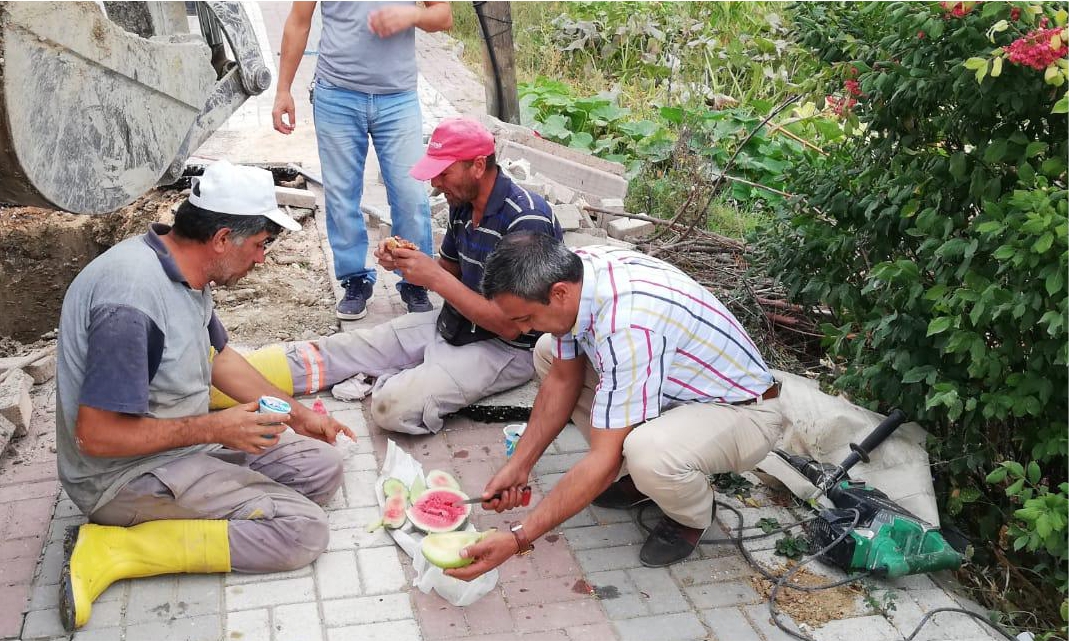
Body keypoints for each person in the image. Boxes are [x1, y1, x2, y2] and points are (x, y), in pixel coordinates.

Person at [54, 161, 355, 631]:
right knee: (303, 531)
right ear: (221, 239)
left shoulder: (181, 268)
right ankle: (118, 548)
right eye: (260, 246)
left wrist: (298, 415)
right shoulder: (130, 304)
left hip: (180, 442)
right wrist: (217, 427)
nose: (262, 260)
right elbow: (96, 437)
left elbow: (220, 358)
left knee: (323, 469)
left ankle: (202, 494)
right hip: (122, 475)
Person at [445, 233, 783, 581]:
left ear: (559, 292)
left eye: (526, 318)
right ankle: (642, 479)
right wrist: (519, 465)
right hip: (675, 393)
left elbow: (602, 461)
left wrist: (519, 538)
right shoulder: (574, 277)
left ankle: (691, 516)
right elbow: (562, 380)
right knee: (548, 351)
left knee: (648, 453)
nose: (521, 329)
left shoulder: (629, 325)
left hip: (745, 412)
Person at [212, 117, 562, 435]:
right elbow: (452, 272)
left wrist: (432, 278)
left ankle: (402, 376)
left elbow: (510, 326)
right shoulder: (462, 205)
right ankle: (212, 381)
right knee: (341, 350)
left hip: (507, 348)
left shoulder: (526, 221)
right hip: (456, 322)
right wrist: (410, 263)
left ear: (478, 166)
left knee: (390, 410)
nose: (437, 184)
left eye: (444, 173)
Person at [273, 1, 452, 320]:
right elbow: (299, 22)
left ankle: (414, 280)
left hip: (398, 99)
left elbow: (443, 15)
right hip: (336, 96)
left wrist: (413, 14)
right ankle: (355, 279)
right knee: (341, 196)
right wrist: (283, 89)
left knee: (410, 194)